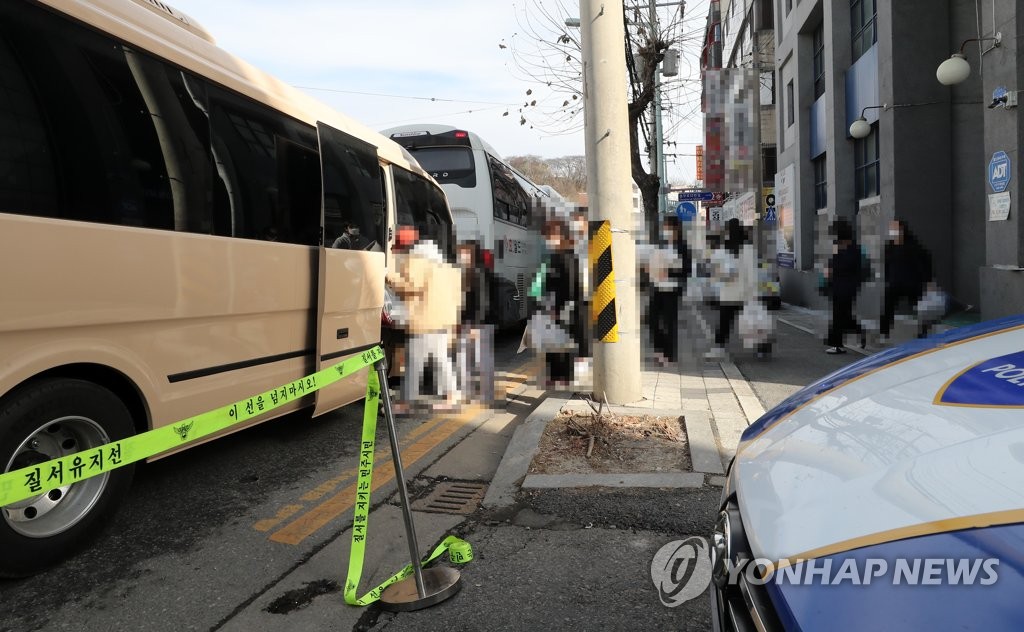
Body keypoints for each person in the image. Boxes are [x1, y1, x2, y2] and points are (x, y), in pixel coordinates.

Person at [387, 226, 463, 411]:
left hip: (424, 320)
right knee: (440, 361)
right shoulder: (442, 262)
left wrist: (388, 278)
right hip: (443, 319)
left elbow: (411, 285)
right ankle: (451, 395)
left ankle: (405, 402)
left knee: (414, 362)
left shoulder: (416, 260)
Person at [535, 217, 581, 388]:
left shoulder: (566, 256)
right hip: (555, 304)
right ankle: (556, 376)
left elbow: (568, 285)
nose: (547, 240)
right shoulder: (557, 255)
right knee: (554, 342)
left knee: (561, 343)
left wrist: (558, 307)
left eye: (549, 236)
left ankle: (563, 376)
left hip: (563, 306)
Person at [705, 218, 753, 360]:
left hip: (728, 292)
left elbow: (715, 271)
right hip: (745, 292)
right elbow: (752, 273)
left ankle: (719, 349)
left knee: (724, 321)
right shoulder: (748, 248)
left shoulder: (723, 250)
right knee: (753, 318)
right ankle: (763, 346)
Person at [879, 219, 934, 341]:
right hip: (895, 283)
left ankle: (923, 331)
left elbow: (924, 263)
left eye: (895, 228)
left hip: (913, 283)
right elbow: (887, 264)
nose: (892, 231)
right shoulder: (890, 246)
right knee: (887, 305)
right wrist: (887, 278)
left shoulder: (913, 246)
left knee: (920, 308)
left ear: (902, 230)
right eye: (891, 228)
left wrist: (928, 281)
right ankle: (884, 332)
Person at [648, 215, 689, 365]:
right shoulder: (661, 244)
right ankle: (660, 349)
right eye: (664, 227)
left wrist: (669, 271)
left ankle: (669, 354)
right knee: (652, 319)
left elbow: (686, 270)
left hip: (672, 289)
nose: (665, 230)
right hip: (658, 286)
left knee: (669, 322)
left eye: (668, 227)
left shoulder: (682, 247)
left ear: (675, 228)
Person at [823, 218, 867, 354]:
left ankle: (837, 344)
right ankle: (858, 331)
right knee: (844, 315)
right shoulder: (842, 247)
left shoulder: (852, 249)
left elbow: (847, 266)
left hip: (845, 286)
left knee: (839, 316)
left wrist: (832, 269)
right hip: (840, 285)